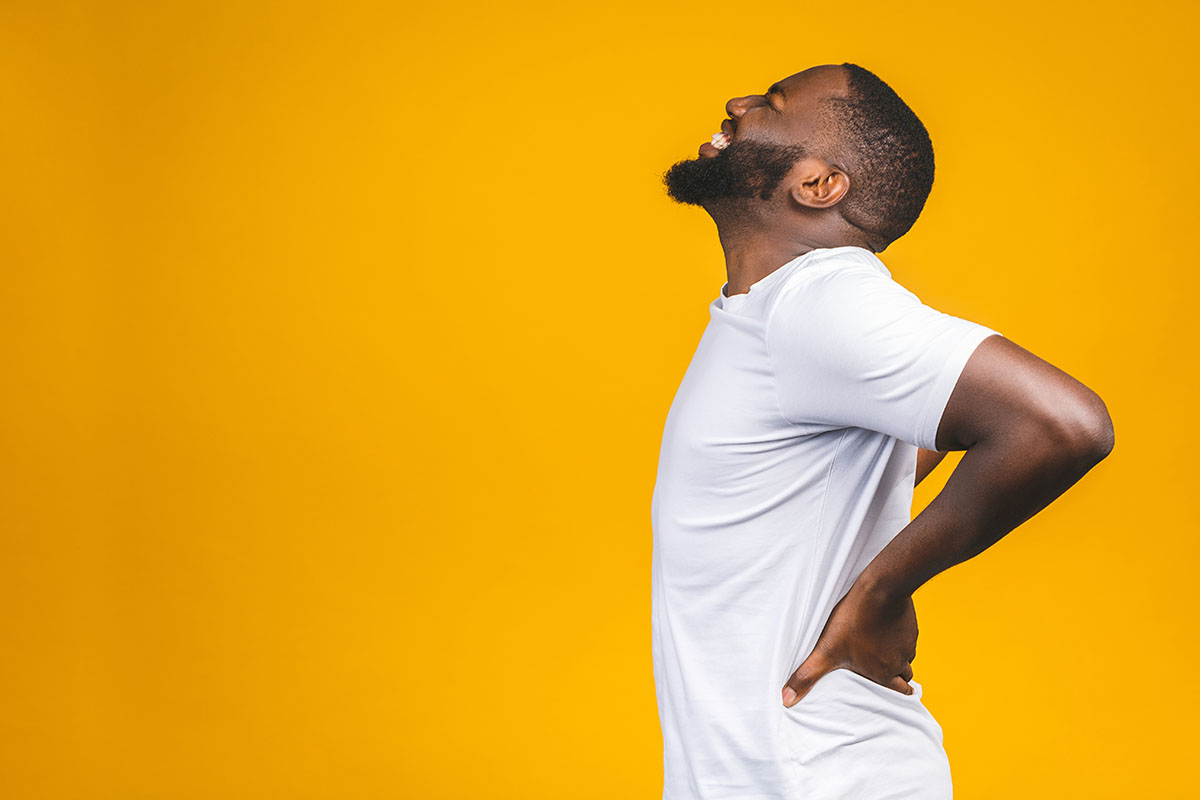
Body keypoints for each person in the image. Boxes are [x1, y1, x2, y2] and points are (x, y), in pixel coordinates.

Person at [651, 63, 1114, 799]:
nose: (738, 102)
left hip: (817, 776)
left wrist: (882, 594)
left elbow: (1066, 424)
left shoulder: (819, 303)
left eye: (771, 103)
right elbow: (888, 451)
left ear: (818, 185)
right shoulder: (781, 315)